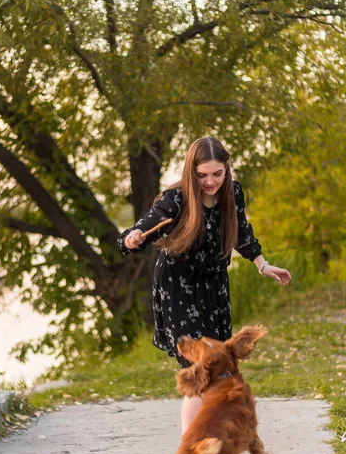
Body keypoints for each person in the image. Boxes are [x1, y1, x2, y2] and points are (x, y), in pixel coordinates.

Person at [117, 136, 291, 434]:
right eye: (202, 175)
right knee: (198, 371)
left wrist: (262, 264)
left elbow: (241, 232)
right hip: (178, 289)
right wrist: (132, 238)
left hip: (214, 288)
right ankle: (192, 450)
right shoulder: (176, 200)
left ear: (227, 170)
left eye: (217, 174)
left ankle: (212, 442)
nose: (210, 181)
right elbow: (139, 232)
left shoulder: (232, 192)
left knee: (218, 370)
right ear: (191, 171)